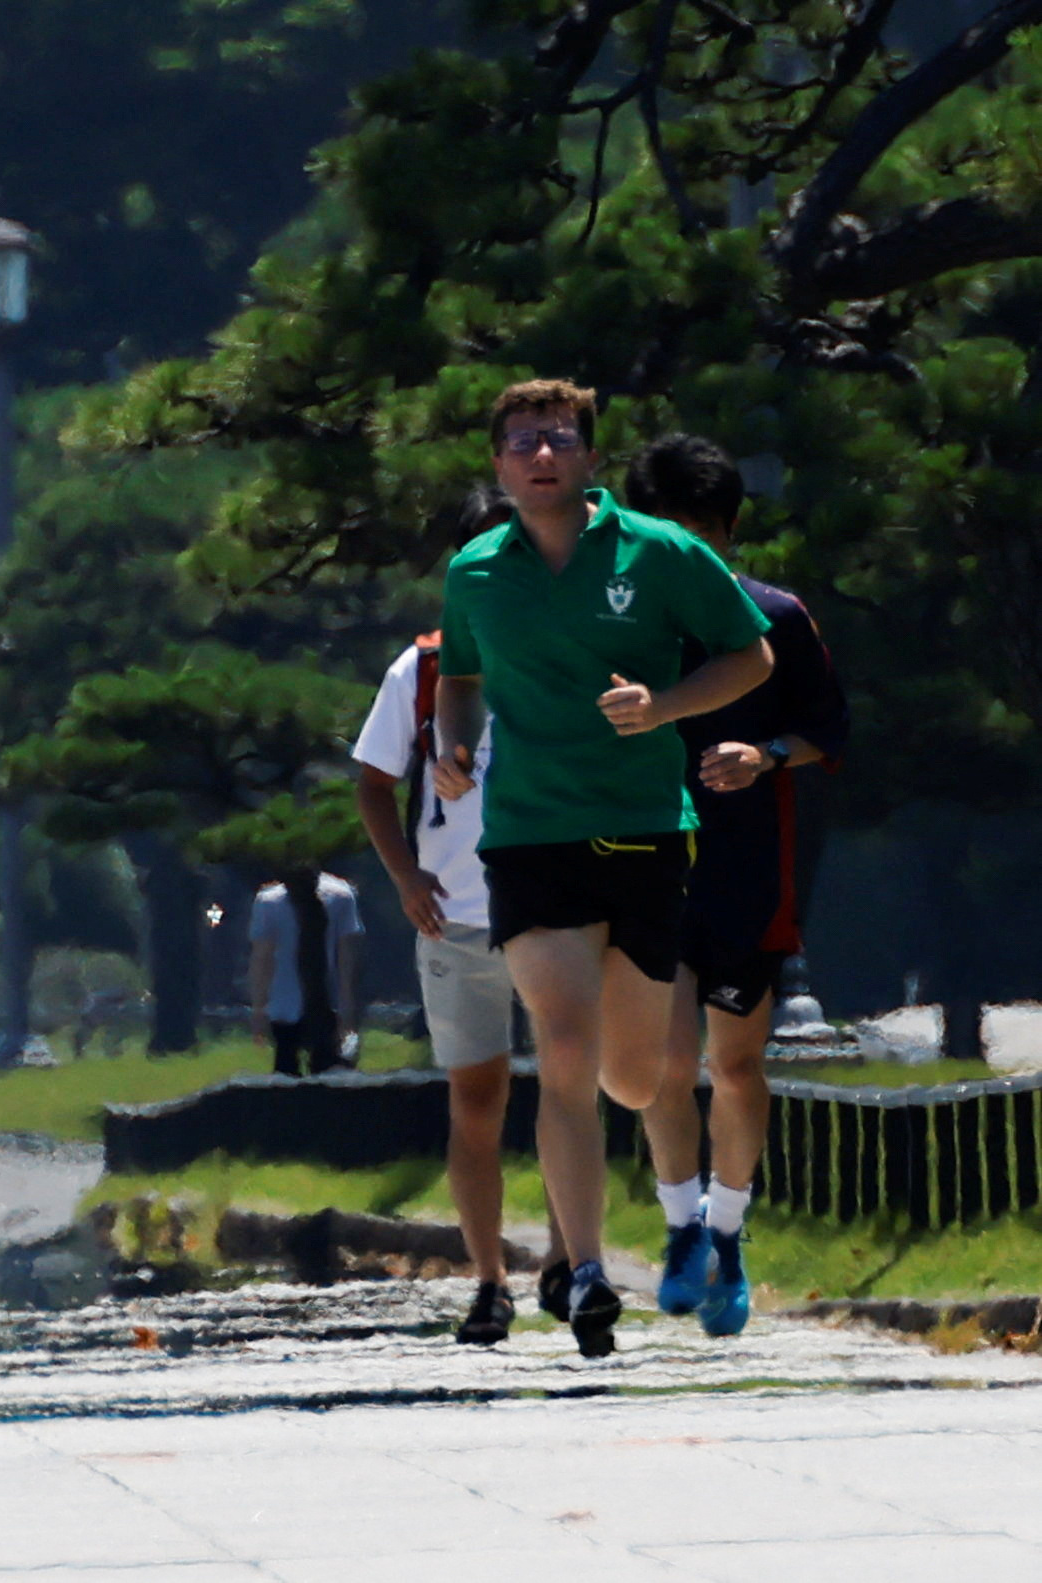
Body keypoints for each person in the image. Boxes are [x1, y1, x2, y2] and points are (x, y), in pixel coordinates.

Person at [433, 380, 773, 1358]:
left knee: (636, 1074)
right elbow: (459, 678)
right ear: (496, 463)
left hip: (642, 833)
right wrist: (455, 744)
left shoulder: (661, 552)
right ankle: (583, 1268)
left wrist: (663, 705)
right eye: (520, 442)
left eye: (558, 439)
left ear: (586, 455)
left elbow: (746, 656)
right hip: (529, 837)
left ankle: (611, 1219)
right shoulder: (475, 571)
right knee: (565, 1050)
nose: (540, 455)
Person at [625, 434, 850, 1338]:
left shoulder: (778, 617)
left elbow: (828, 728)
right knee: (664, 1065)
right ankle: (680, 1229)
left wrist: (763, 756)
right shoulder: (624, 627)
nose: (687, 554)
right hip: (642, 864)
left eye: (702, 535)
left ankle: (728, 1233)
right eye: (666, 534)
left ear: (726, 534)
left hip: (748, 867)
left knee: (735, 1064)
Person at [352, 484, 571, 1346]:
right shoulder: (421, 670)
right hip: (457, 916)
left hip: (553, 905)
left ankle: (566, 1256)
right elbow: (372, 783)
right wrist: (404, 876)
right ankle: (487, 1277)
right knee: (475, 1100)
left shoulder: (567, 650)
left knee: (566, 1091)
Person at [247, 870, 363, 1076]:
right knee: (328, 1066)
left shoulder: (268, 900)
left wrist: (259, 1006)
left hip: (282, 1001)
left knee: (285, 1066)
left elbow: (262, 957)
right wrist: (347, 1002)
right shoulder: (341, 894)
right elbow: (347, 955)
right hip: (328, 999)